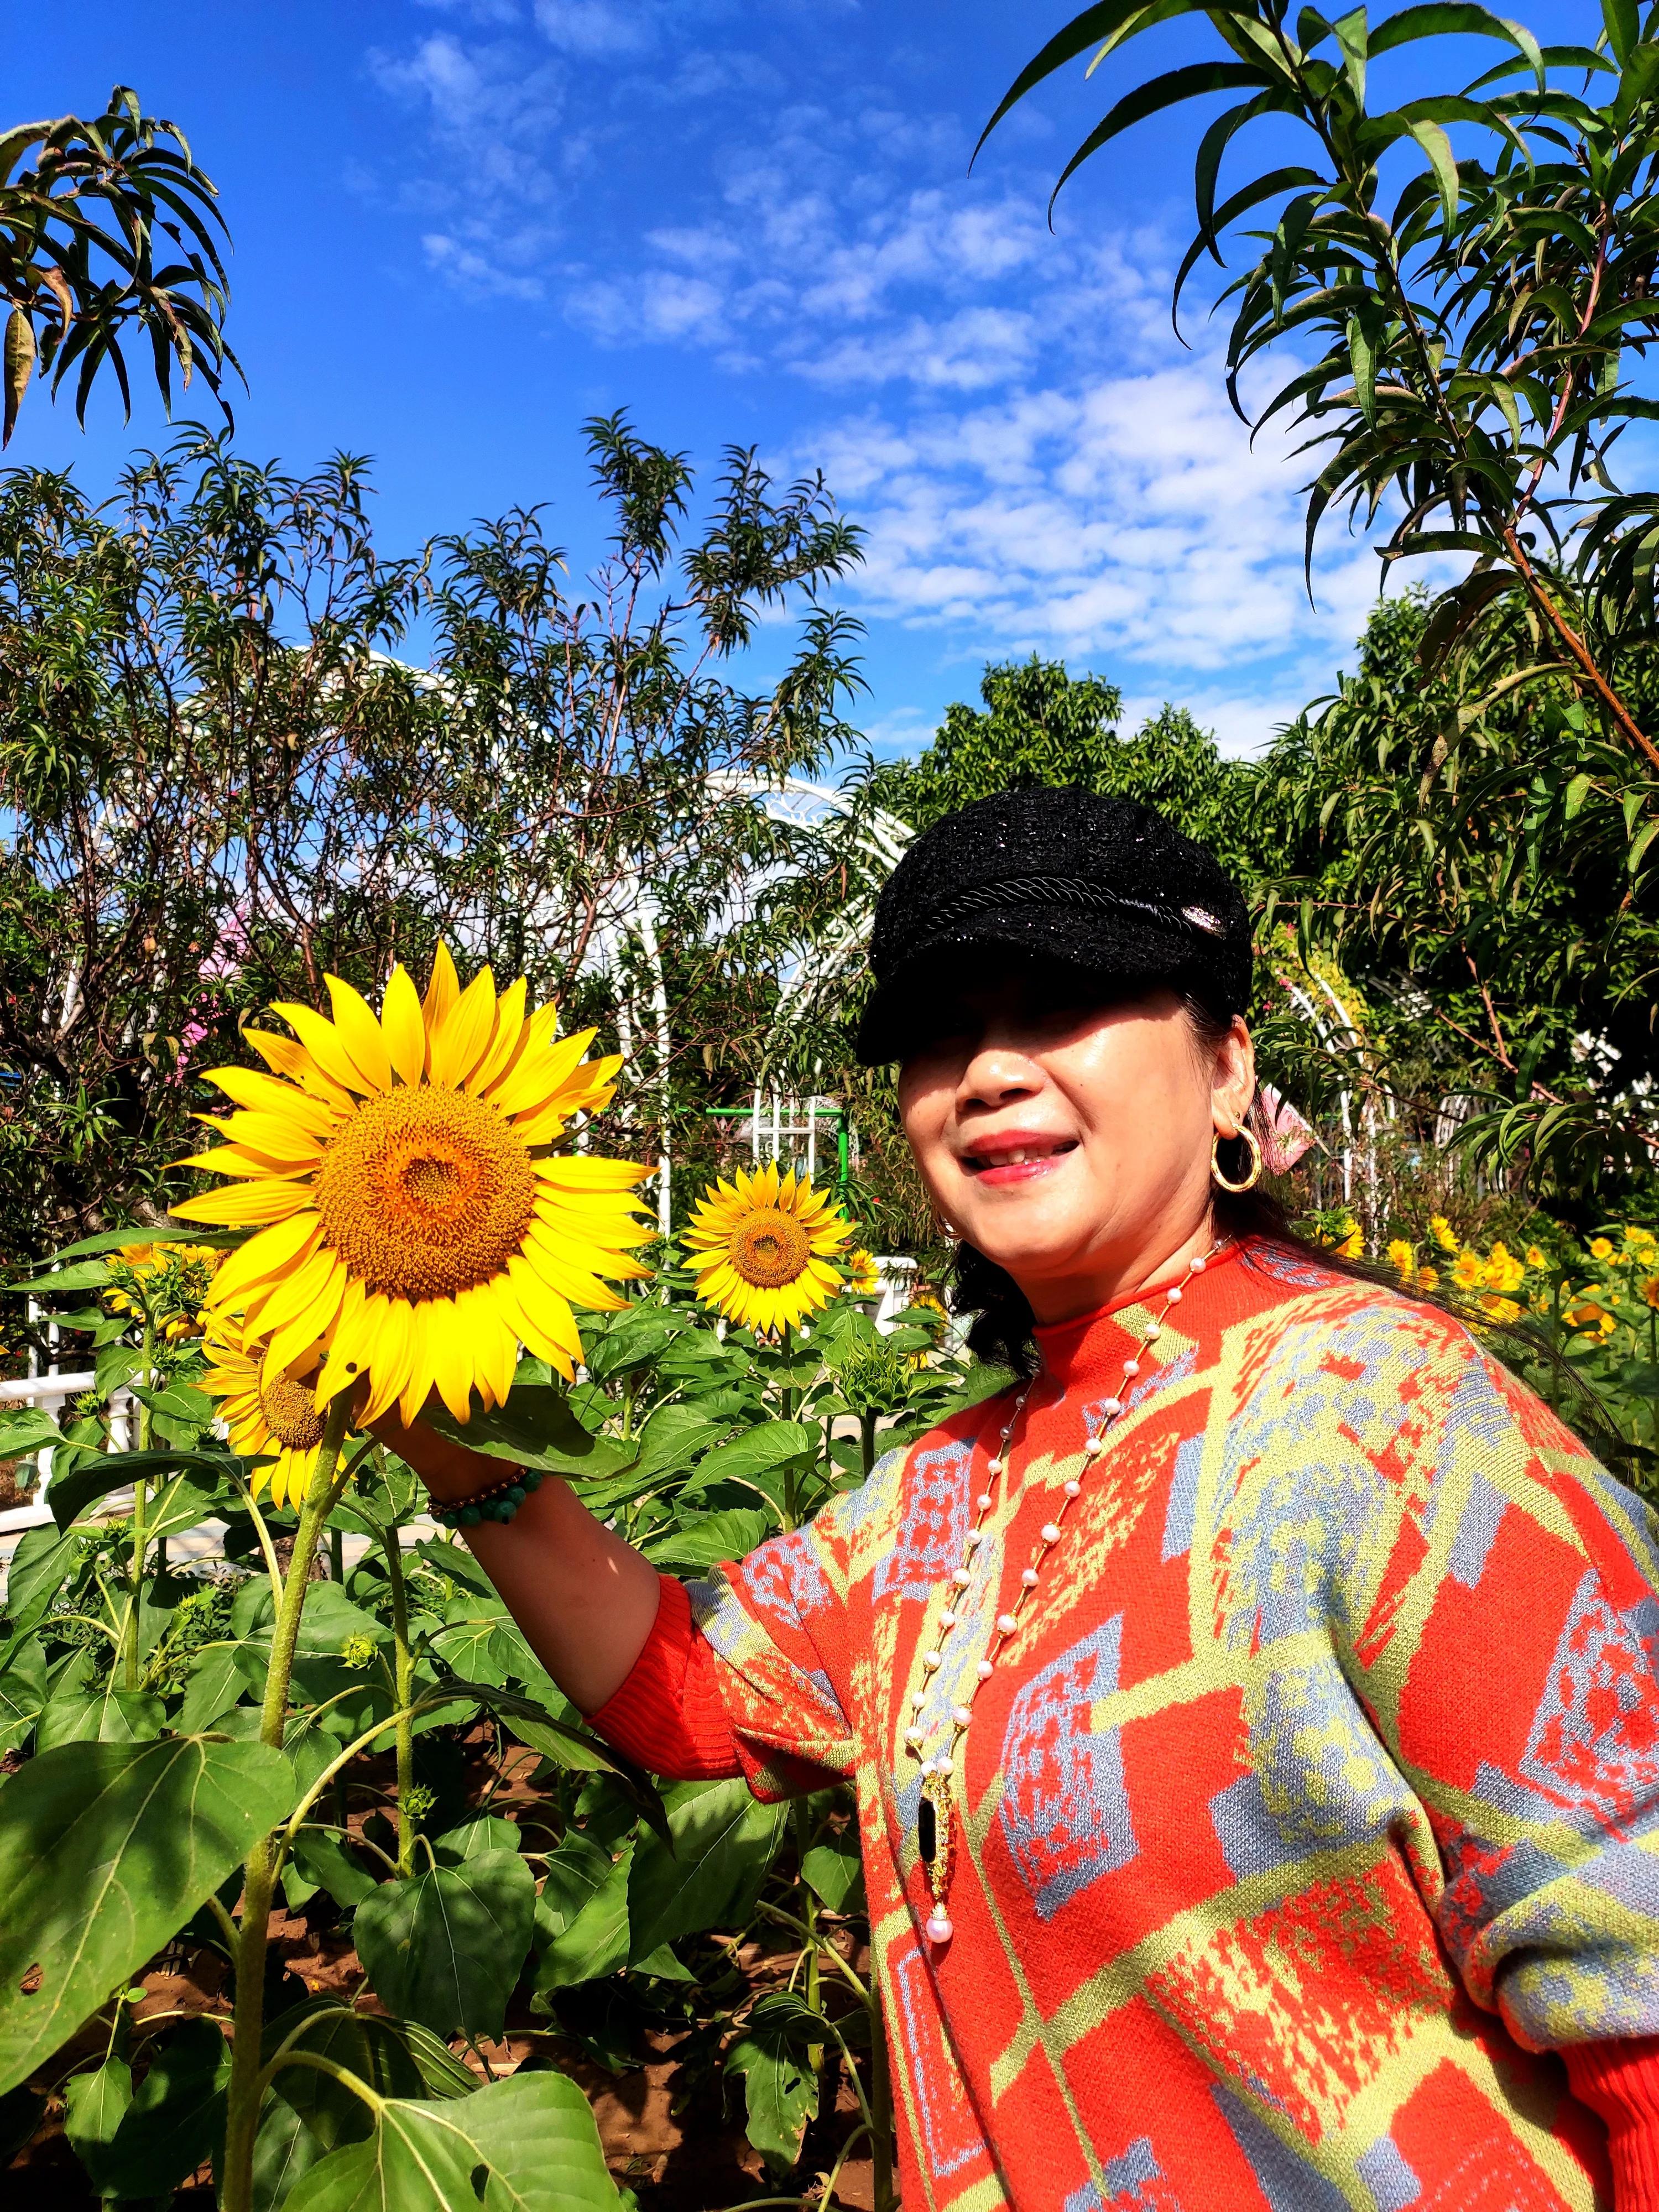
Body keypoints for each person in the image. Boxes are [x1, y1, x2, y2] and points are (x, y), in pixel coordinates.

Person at [380, 789, 1659, 2211]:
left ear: (1229, 1069)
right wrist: (454, 1447)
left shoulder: (1388, 1411)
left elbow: (1639, 1982)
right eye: (942, 1034)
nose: (989, 1069)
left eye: (1062, 1000)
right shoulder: (943, 1487)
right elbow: (692, 1695)